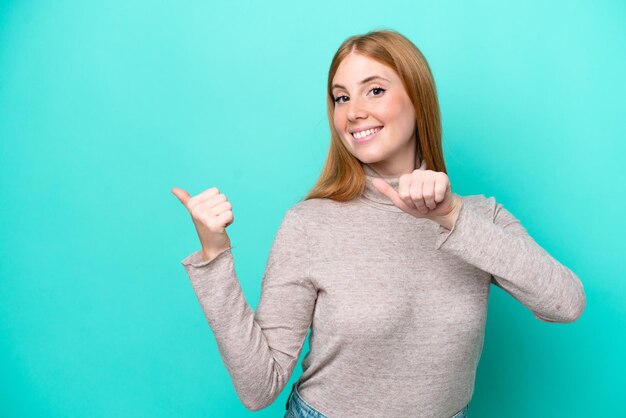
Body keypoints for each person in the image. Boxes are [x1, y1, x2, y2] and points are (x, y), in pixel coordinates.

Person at [171, 29, 586, 418]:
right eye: (340, 98)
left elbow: (566, 304)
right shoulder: (310, 223)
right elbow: (259, 387)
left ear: (417, 99)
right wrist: (214, 251)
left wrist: (450, 216)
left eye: (375, 90)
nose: (354, 112)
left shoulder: (479, 217)